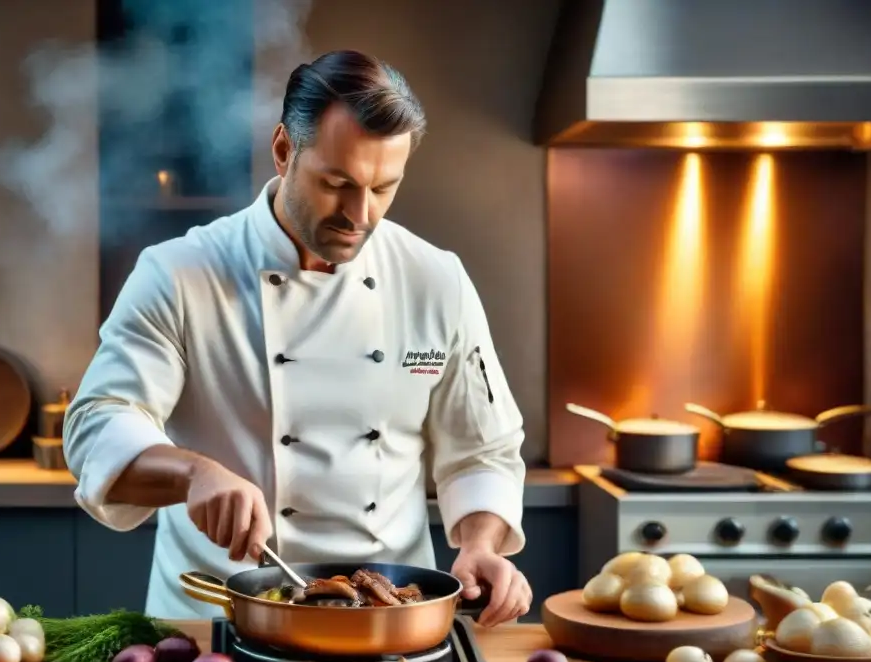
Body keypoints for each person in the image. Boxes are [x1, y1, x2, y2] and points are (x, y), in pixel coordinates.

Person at [64, 49, 532, 627]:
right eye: (337, 183)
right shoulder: (181, 273)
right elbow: (96, 425)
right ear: (284, 150)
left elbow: (482, 447)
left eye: (385, 188)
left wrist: (481, 544)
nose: (360, 215)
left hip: (389, 620)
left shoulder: (435, 278)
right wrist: (193, 472)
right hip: (214, 620)